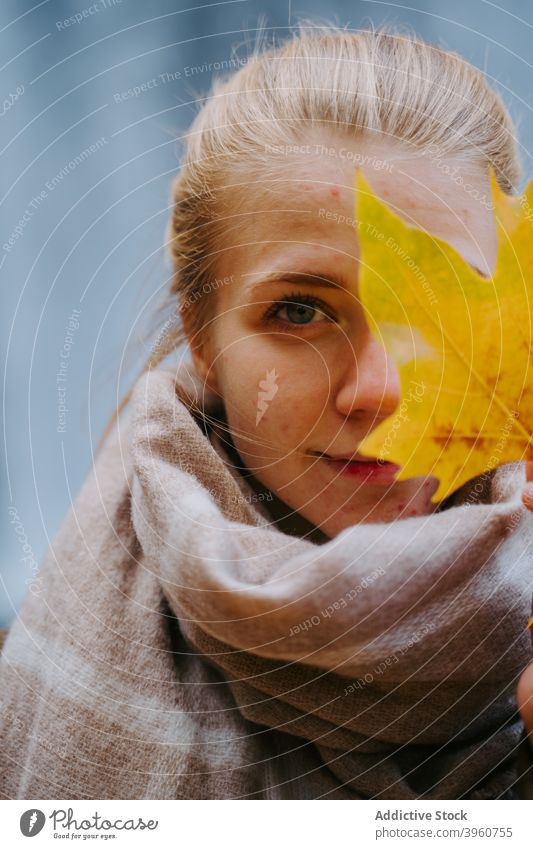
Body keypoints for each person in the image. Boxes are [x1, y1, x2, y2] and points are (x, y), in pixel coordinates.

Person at [1, 23, 533, 800]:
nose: (377, 392)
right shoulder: (64, 659)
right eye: (299, 311)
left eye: (441, 310)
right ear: (202, 337)